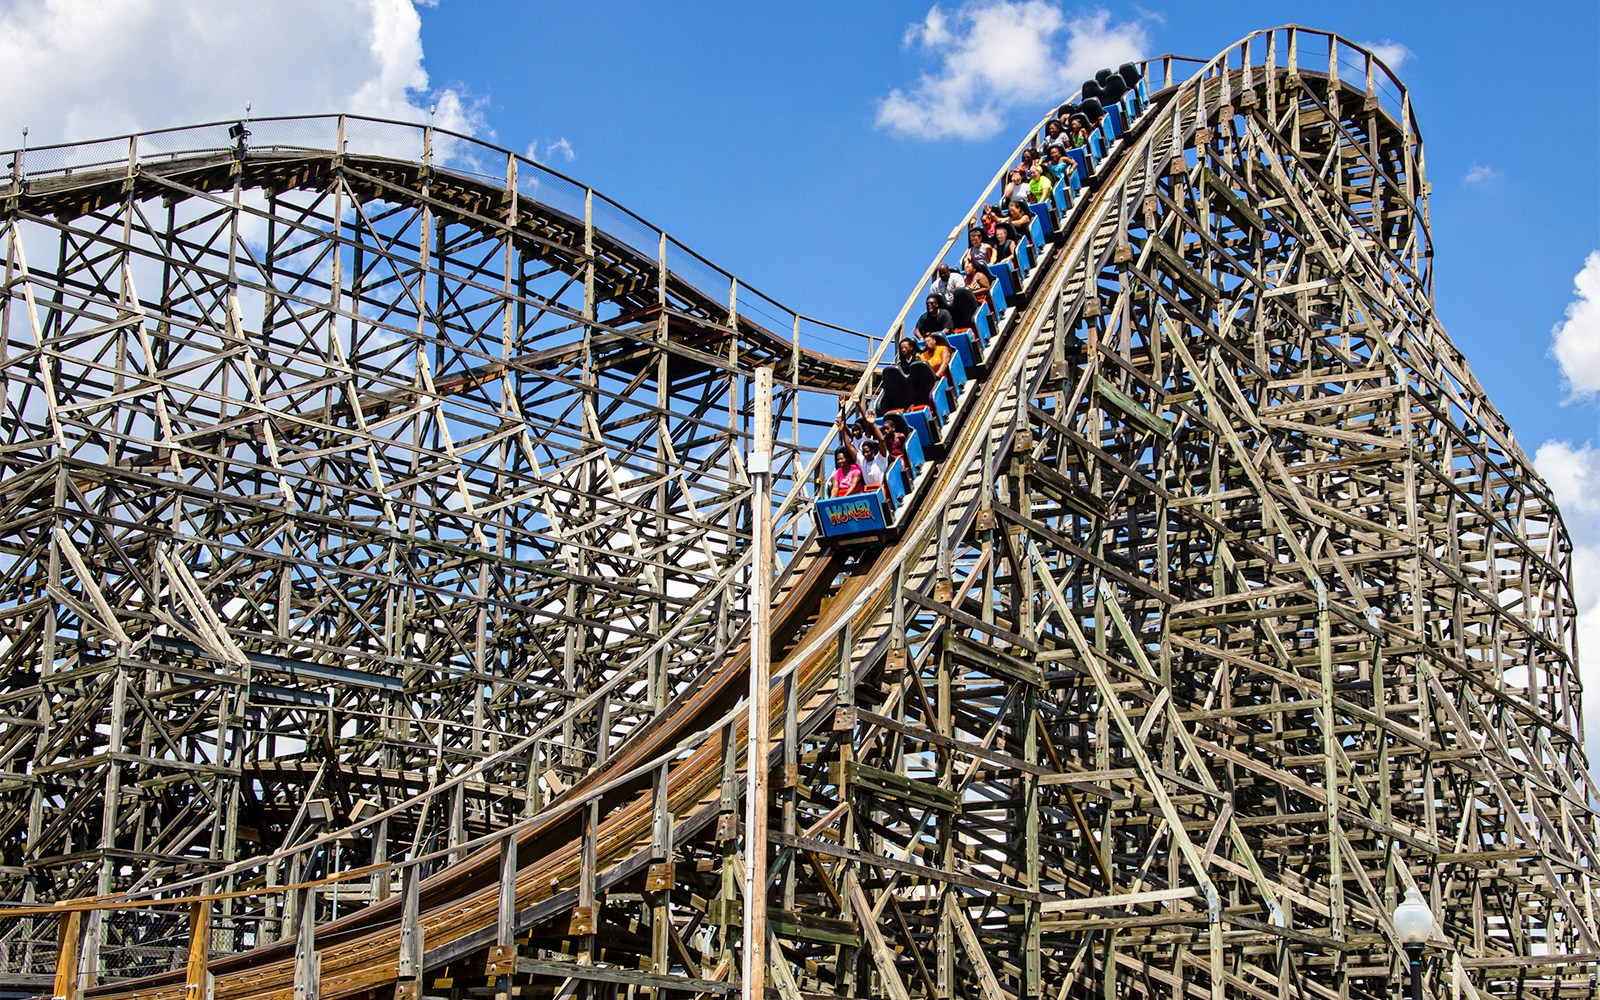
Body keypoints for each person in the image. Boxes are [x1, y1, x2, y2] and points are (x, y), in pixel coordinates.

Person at [877, 337, 938, 415]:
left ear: (911, 347)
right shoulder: (900, 362)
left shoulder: (917, 358)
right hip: (906, 388)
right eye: (901, 348)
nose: (903, 350)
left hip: (919, 386)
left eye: (905, 347)